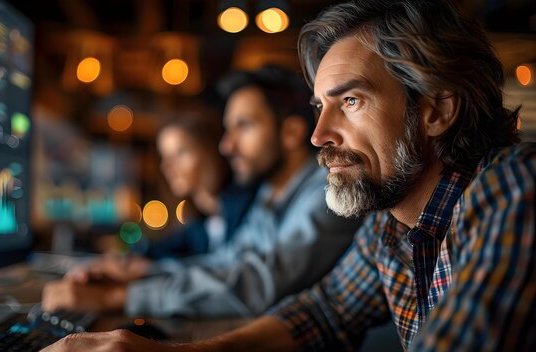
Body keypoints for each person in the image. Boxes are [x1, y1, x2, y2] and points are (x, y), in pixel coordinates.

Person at [41, 0, 536, 351]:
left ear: (436, 110)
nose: (320, 134)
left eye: (351, 101)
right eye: (321, 106)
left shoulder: (515, 190)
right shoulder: (391, 225)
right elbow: (323, 313)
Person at [41, 65, 360, 318]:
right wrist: (143, 272)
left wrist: (119, 297)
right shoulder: (270, 195)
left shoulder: (326, 194)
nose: (227, 145)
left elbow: (259, 284)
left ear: (291, 132)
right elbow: (227, 262)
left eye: (244, 126)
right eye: (227, 129)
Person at [132, 110, 256, 259]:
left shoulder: (249, 208)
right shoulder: (198, 223)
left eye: (180, 153)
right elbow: (163, 251)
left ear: (210, 150)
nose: (168, 167)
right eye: (165, 157)